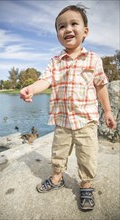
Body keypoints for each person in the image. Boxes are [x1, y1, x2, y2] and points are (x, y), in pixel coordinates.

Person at [20, 5, 116, 211]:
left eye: (74, 24)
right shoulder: (55, 62)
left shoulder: (93, 59)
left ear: (85, 31)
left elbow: (100, 86)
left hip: (87, 120)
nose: (68, 29)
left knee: (87, 156)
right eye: (61, 26)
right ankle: (57, 178)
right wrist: (32, 89)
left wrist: (107, 111)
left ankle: (86, 185)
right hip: (62, 120)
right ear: (57, 34)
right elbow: (44, 81)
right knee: (58, 153)